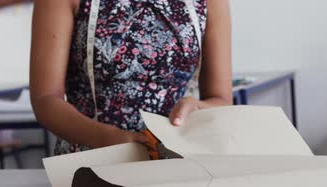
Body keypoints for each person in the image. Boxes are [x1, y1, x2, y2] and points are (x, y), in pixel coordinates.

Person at [30, 0, 232, 155]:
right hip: (91, 165)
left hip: (175, 161)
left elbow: (221, 100)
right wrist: (108, 139)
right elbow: (45, 99)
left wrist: (196, 108)